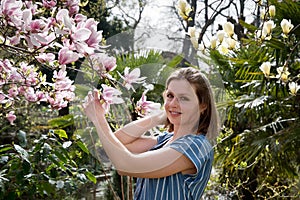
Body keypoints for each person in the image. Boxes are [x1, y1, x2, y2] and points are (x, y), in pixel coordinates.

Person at [83, 67, 220, 199]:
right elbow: (117, 142)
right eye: (170, 96)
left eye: (184, 98)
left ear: (203, 106)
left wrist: (98, 119)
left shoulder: (195, 146)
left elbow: (125, 165)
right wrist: (157, 118)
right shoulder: (166, 140)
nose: (173, 103)